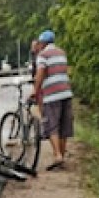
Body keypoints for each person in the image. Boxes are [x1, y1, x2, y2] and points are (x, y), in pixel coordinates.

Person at [34, 30, 74, 171]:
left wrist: (35, 92)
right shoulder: (61, 53)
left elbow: (40, 76)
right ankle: (61, 156)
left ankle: (57, 155)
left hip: (52, 95)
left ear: (43, 43)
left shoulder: (42, 56)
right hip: (66, 93)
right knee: (64, 126)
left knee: (52, 126)